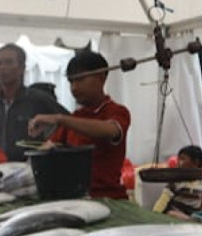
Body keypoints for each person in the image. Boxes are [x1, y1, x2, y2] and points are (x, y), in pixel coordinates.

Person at [29, 50, 131, 200]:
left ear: (101, 77)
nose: (74, 88)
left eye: (80, 79)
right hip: (76, 198)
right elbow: (48, 148)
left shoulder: (117, 111)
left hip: (109, 198)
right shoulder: (75, 118)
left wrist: (60, 119)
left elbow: (110, 131)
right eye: (71, 82)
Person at [0, 43, 66, 162]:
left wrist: (51, 142)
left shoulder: (38, 99)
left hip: (31, 170)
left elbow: (69, 123)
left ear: (22, 67)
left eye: (8, 62)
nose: (2, 67)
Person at [154, 145, 202, 219]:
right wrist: (155, 214)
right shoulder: (177, 180)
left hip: (192, 214)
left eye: (182, 159)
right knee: (172, 213)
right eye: (178, 159)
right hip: (175, 212)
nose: (178, 162)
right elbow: (164, 198)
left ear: (196, 162)